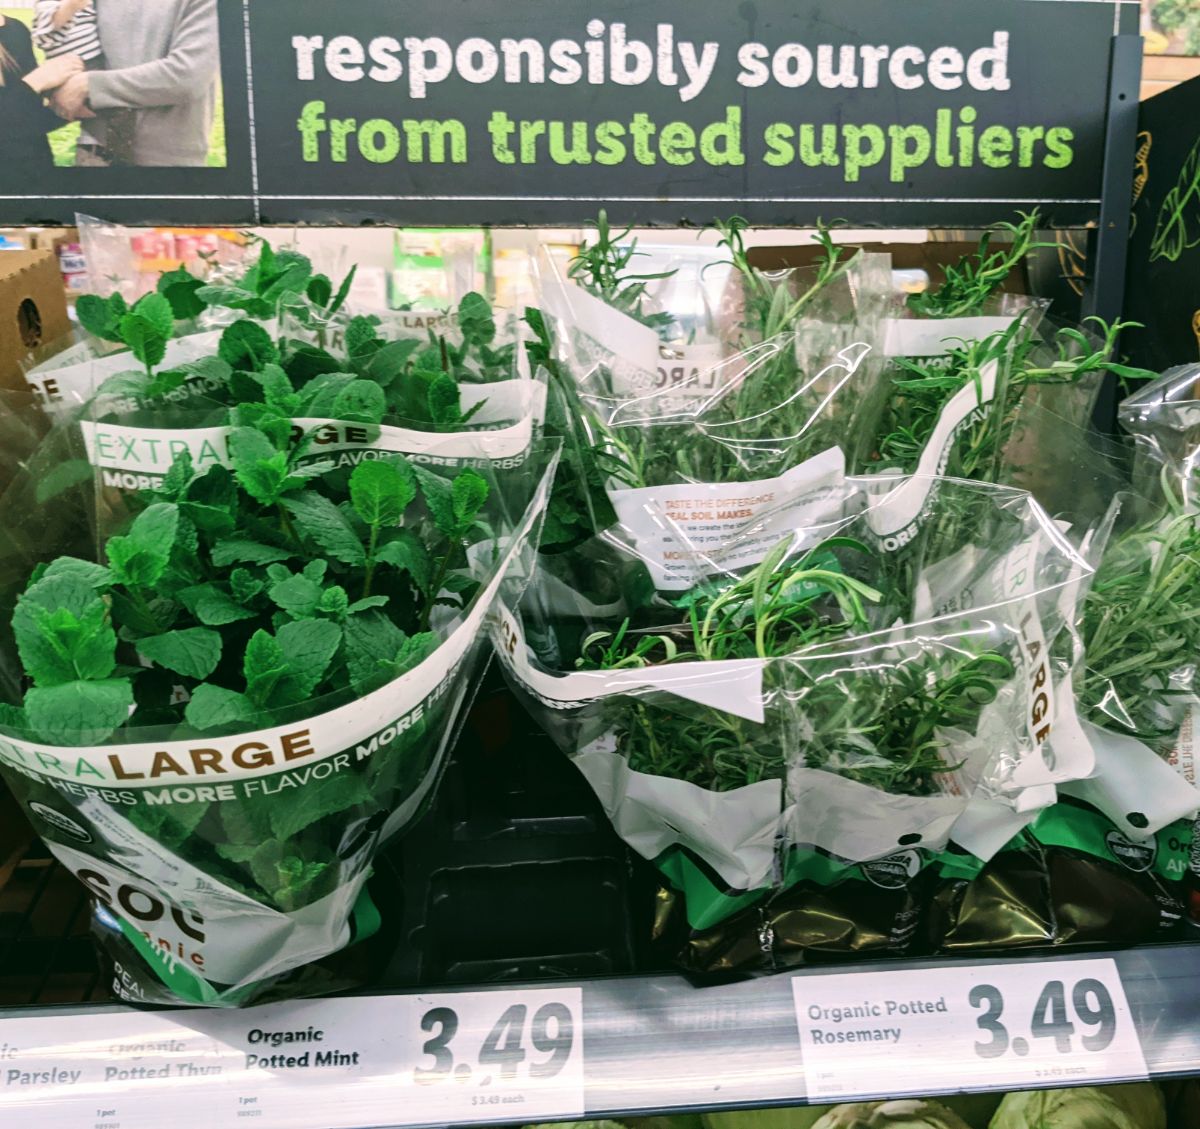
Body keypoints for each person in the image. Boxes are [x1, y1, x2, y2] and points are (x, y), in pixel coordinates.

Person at [50, 0, 219, 167]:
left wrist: (88, 85)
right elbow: (62, 38)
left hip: (165, 159)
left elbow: (187, 76)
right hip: (95, 150)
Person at [0, 14, 83, 174]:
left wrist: (62, 111)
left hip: (35, 169)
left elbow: (24, 119)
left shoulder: (16, 29)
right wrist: (36, 81)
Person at [33, 0, 104, 69]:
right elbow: (53, 25)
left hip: (95, 58)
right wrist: (71, 4)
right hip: (66, 65)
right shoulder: (45, 4)